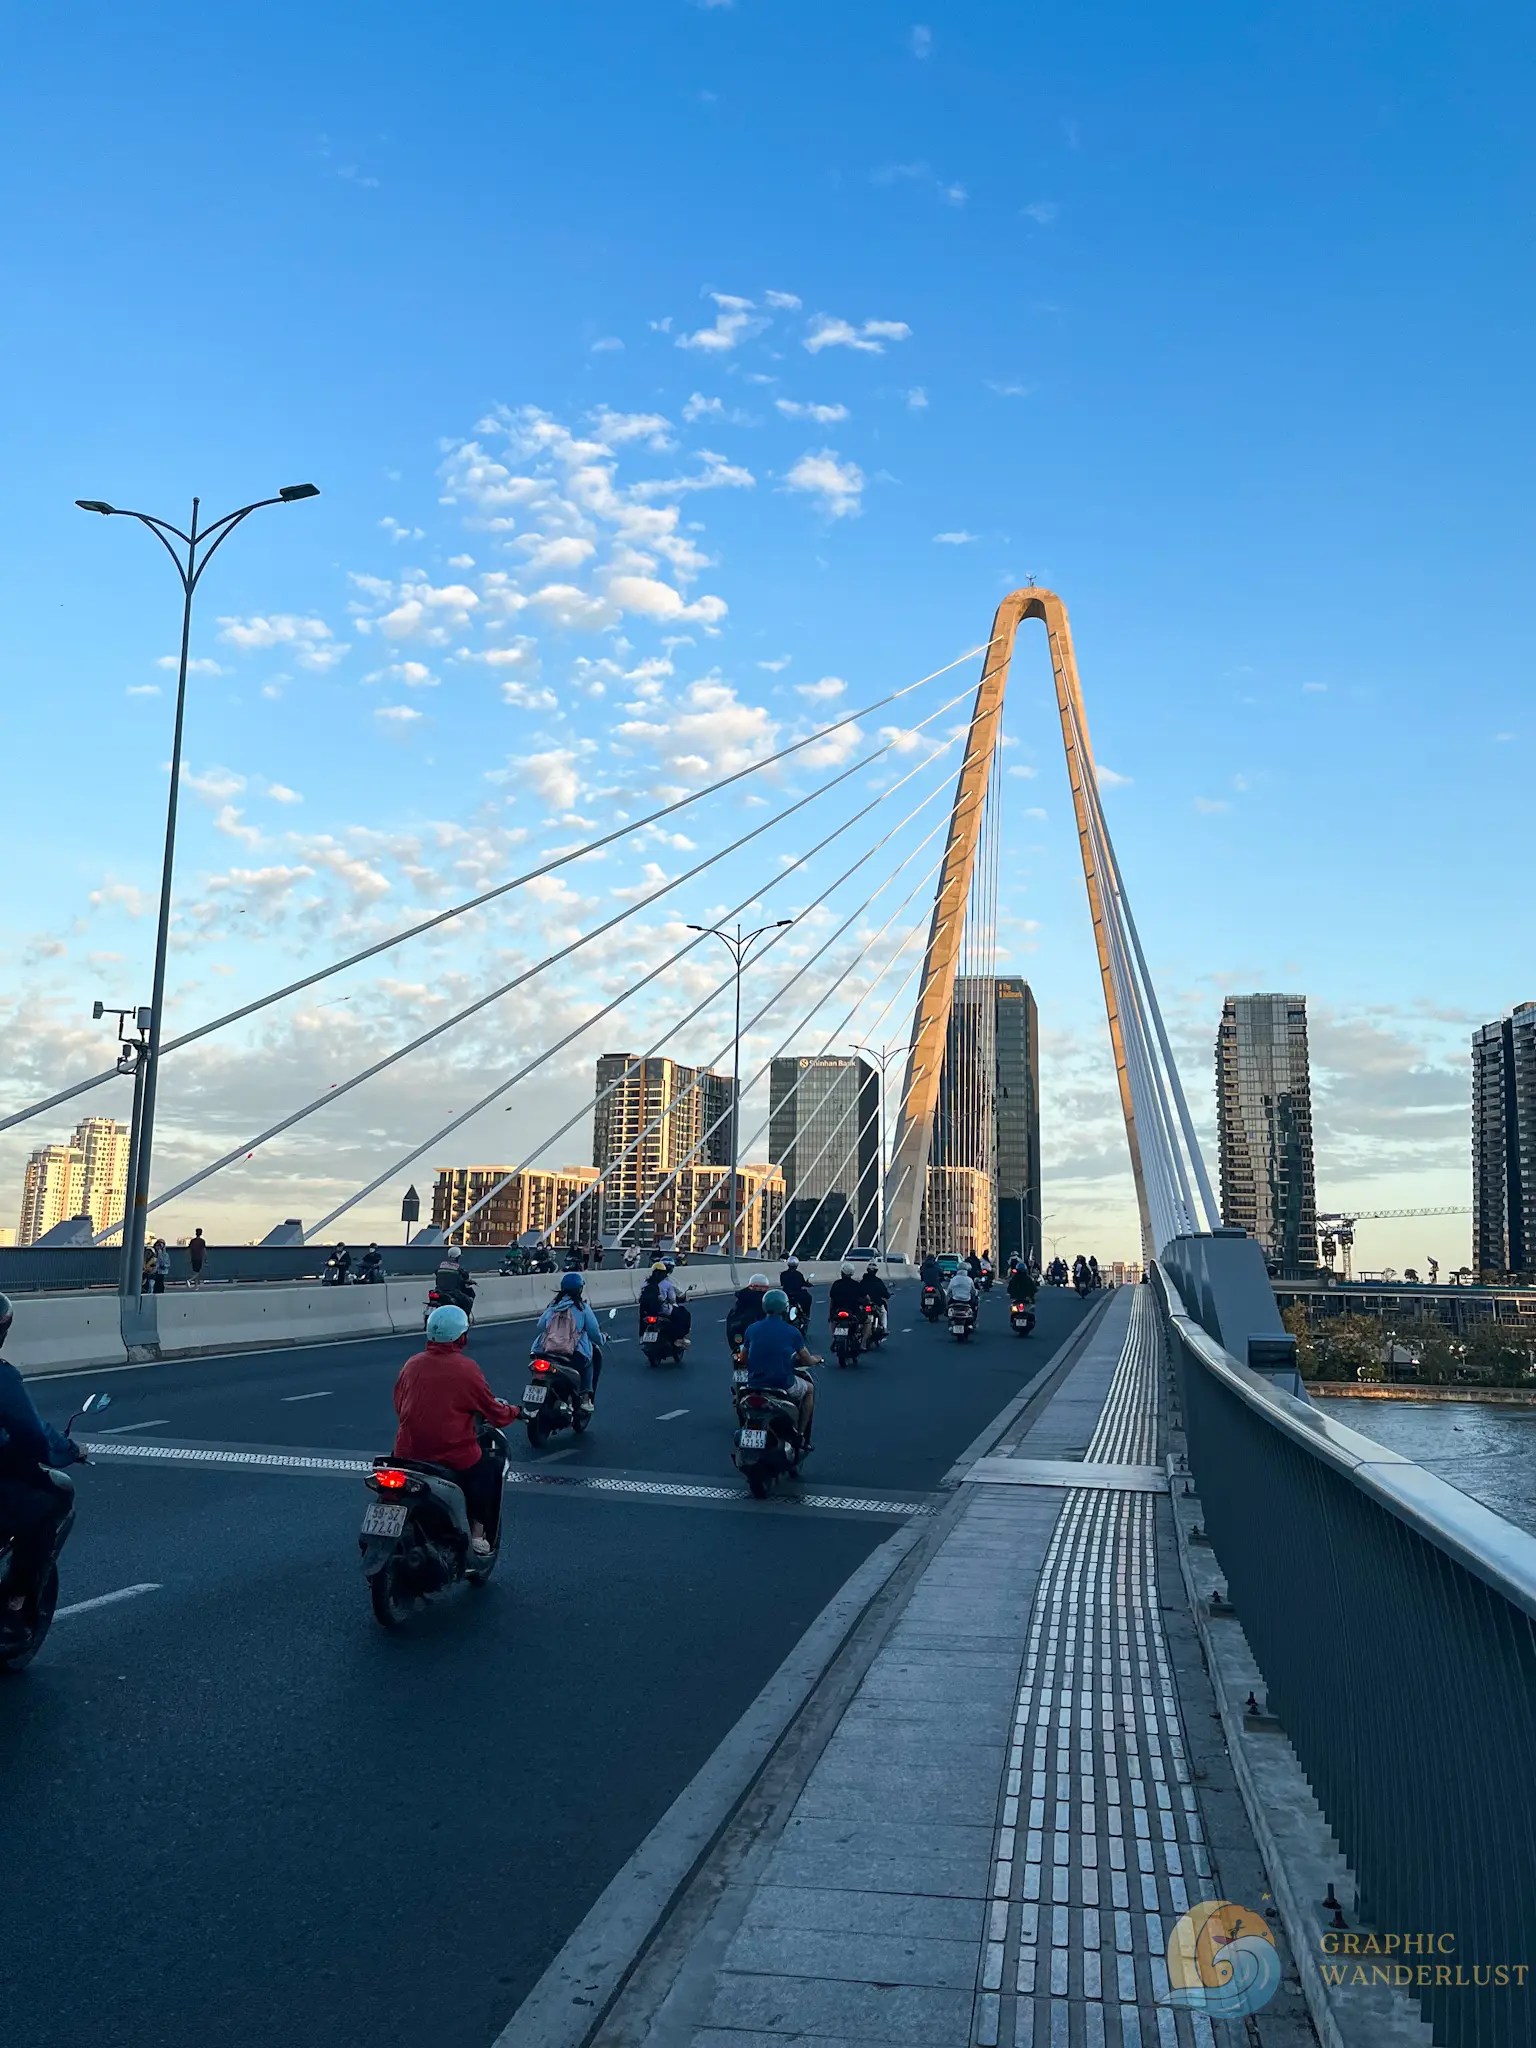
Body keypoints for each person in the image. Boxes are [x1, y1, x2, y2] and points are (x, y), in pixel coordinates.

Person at [393, 1304, 517, 1555]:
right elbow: (494, 1412)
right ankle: (477, 1534)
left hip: (407, 1451)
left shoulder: (412, 1364)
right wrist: (515, 1411)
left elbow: (399, 1404)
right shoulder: (466, 1368)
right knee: (488, 1471)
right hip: (451, 1454)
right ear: (462, 1336)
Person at [0, 1291, 88, 1641]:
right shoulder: (3, 1379)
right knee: (46, 1504)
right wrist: (69, 1449)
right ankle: (14, 1607)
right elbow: (33, 1433)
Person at [742, 1289, 818, 1448]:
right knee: (810, 1389)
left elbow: (743, 1358)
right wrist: (816, 1359)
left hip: (754, 1384)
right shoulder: (792, 1332)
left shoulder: (752, 1329)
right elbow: (807, 1360)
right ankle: (800, 1435)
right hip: (782, 1384)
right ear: (785, 1308)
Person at [531, 1272, 604, 1410]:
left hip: (544, 1351)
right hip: (571, 1354)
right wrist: (602, 1339)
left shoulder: (553, 1306)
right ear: (580, 1289)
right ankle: (585, 1398)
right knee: (588, 1362)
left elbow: (540, 1326)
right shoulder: (582, 1308)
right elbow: (594, 1332)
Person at [726, 1272, 771, 1350]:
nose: (760, 1290)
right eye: (758, 1288)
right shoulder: (767, 1302)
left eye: (762, 1288)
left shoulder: (741, 1300)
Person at [433, 1246, 476, 1314]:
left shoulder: (441, 1265)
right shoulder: (458, 1267)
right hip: (453, 1292)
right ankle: (465, 1318)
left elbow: (436, 1272)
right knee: (468, 1302)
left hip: (438, 1290)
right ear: (458, 1257)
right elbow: (466, 1277)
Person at [862, 1261, 891, 1339]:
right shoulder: (878, 1282)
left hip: (864, 1305)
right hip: (876, 1304)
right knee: (883, 1312)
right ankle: (884, 1328)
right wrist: (888, 1295)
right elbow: (885, 1293)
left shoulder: (863, 1281)